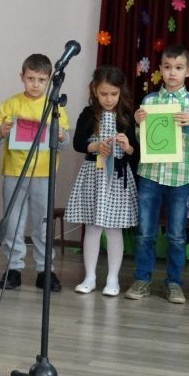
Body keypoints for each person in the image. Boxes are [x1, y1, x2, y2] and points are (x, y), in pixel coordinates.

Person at [125, 44, 189, 304]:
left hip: (179, 179)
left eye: (179, 68)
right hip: (150, 175)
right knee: (145, 233)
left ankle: (174, 283)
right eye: (168, 67)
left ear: (188, 71)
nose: (173, 73)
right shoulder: (149, 102)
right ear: (160, 69)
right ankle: (142, 280)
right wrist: (138, 123)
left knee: (176, 235)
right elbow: (141, 140)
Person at [0, 54, 70, 291]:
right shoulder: (10, 104)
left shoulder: (54, 106)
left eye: (41, 80)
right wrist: (0, 132)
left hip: (44, 174)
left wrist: (61, 135)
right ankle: (13, 268)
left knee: (42, 224)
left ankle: (45, 270)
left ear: (49, 81)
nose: (35, 84)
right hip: (15, 172)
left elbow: (65, 142)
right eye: (31, 78)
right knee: (13, 221)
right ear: (22, 77)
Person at [65, 66, 139, 297]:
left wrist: (127, 147)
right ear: (95, 91)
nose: (109, 99)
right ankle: (90, 277)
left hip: (117, 178)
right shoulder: (88, 114)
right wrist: (96, 146)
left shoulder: (127, 115)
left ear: (121, 92)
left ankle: (112, 278)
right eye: (104, 94)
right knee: (93, 227)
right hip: (93, 176)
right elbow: (78, 143)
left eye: (113, 94)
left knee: (114, 230)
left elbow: (136, 152)